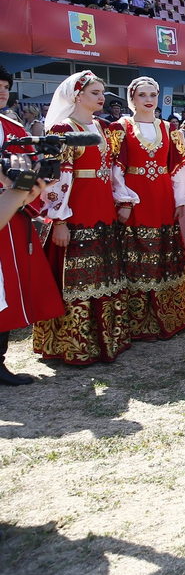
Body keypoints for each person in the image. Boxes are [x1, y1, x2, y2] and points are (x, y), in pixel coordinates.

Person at [34, 71, 132, 365]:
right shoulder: (63, 129)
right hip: (77, 215)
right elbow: (56, 182)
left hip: (101, 211)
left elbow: (113, 170)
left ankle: (106, 339)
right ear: (77, 96)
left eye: (102, 92)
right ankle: (76, 344)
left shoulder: (102, 128)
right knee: (77, 280)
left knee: (102, 276)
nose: (102, 97)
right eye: (95, 92)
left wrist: (122, 200)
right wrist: (60, 222)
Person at [111, 77, 185, 340]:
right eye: (142, 95)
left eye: (153, 94)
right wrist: (124, 200)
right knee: (135, 254)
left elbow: (182, 165)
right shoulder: (120, 127)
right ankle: (138, 322)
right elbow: (115, 167)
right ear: (132, 98)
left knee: (162, 253)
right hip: (136, 198)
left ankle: (171, 316)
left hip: (162, 198)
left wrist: (180, 199)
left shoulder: (169, 128)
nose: (148, 100)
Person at [0, 65, 65, 385]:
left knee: (7, 287)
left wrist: (33, 184)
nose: (1, 90)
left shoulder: (12, 129)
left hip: (11, 217)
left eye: (4, 85)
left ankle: (0, 360)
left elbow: (28, 178)